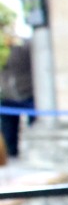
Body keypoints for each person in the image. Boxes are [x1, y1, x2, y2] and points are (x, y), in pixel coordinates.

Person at [0, 32, 32, 161]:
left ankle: (31, 153)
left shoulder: (25, 45)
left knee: (35, 126)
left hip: (28, 93)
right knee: (8, 130)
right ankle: (11, 154)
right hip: (8, 96)